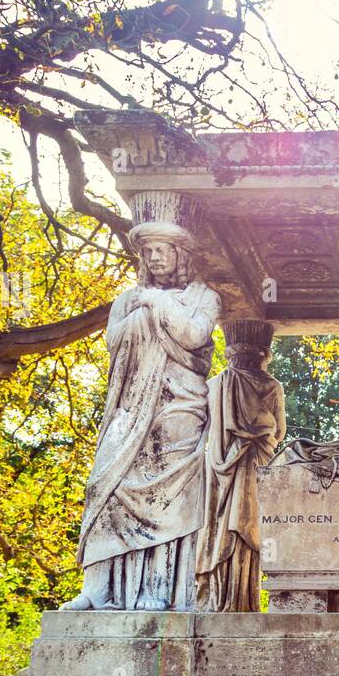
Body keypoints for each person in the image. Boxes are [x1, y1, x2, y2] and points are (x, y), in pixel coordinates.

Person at [65, 221, 219, 611]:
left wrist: (155, 303)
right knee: (105, 485)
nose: (153, 257)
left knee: (169, 501)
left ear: (181, 254)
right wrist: (141, 309)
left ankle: (160, 587)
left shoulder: (203, 296)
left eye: (162, 249)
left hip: (179, 406)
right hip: (132, 406)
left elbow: (194, 336)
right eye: (147, 250)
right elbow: (114, 343)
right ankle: (98, 589)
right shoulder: (126, 298)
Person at [196, 320, 286, 612]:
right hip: (255, 463)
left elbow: (199, 428)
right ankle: (242, 599)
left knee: (218, 527)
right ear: (263, 355)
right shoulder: (272, 386)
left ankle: (215, 595)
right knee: (248, 527)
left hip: (219, 469)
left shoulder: (216, 385)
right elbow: (279, 430)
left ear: (231, 354)